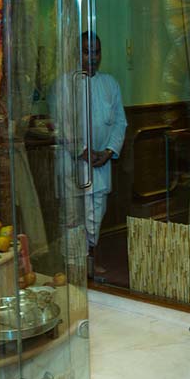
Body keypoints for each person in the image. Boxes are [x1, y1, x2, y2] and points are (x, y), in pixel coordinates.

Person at [49, 32, 126, 274]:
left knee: (95, 216)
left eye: (96, 52)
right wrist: (81, 150)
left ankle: (90, 260)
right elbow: (60, 123)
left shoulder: (110, 83)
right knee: (73, 218)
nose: (92, 57)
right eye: (86, 51)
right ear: (76, 53)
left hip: (100, 165)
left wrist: (109, 151)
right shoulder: (63, 84)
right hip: (72, 164)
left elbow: (120, 123)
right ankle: (74, 268)